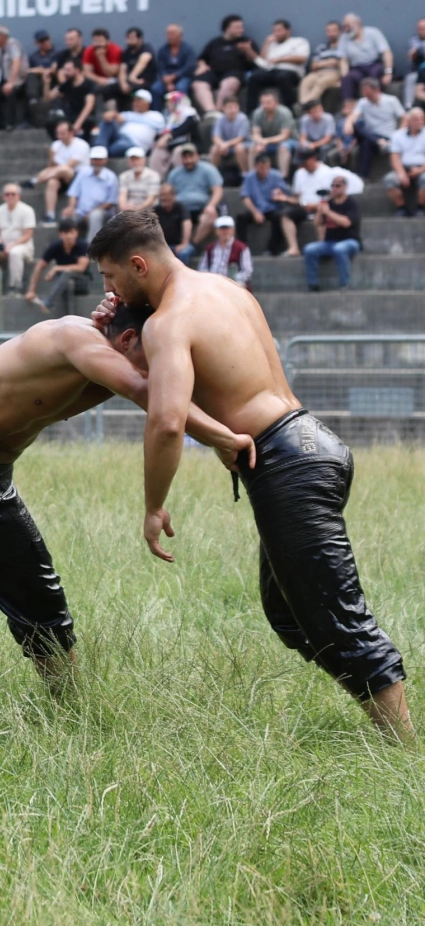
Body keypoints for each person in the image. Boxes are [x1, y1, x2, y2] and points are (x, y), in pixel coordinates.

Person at [90, 210, 410, 737]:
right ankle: (382, 720)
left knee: (336, 617)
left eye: (111, 277)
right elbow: (217, 375)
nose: (110, 290)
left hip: (290, 464)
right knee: (289, 614)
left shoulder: (170, 321)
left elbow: (167, 422)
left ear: (139, 265)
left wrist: (153, 506)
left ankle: (405, 753)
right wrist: (116, 327)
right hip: (311, 444)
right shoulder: (227, 290)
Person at [0, 302, 250, 718]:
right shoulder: (75, 339)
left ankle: (69, 716)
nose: (165, 365)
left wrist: (227, 431)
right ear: (127, 339)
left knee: (42, 602)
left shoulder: (122, 358)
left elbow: (179, 391)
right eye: (158, 353)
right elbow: (151, 395)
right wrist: (225, 439)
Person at [302, 175, 361, 291]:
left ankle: (344, 284)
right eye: (333, 186)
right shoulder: (328, 204)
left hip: (350, 241)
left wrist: (328, 213)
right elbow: (317, 223)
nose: (334, 188)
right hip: (329, 242)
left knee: (340, 249)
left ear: (345, 187)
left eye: (338, 185)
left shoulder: (351, 204)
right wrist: (320, 211)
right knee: (309, 250)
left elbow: (347, 223)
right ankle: (313, 284)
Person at [25, 219, 91, 315]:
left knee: (67, 274)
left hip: (82, 281)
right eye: (66, 233)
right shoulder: (56, 247)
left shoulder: (83, 246)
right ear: (60, 234)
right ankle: (69, 317)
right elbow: (39, 266)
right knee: (67, 284)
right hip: (63, 283)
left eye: (71, 232)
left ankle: (48, 303)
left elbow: (81, 268)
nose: (69, 236)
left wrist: (56, 268)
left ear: (76, 233)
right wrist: (31, 290)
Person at [0, 184, 36, 295]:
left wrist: (12, 245)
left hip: (23, 245)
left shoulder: (27, 210)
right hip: (4, 244)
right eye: (7, 194)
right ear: (3, 196)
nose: (10, 197)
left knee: (15, 253)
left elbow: (28, 234)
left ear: (18, 196)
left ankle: (15, 286)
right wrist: (0, 245)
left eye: (13, 194)